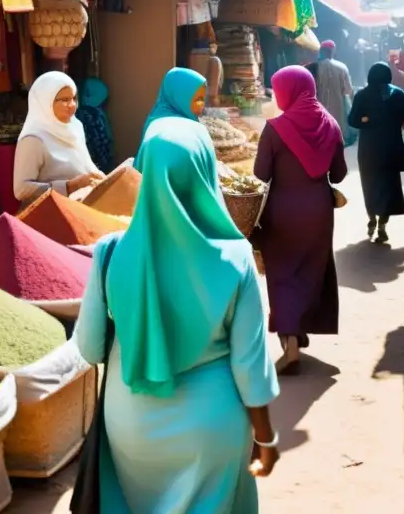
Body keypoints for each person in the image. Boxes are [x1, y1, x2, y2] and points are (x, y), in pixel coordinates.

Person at [74, 113, 280, 512]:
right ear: (206, 172)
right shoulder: (236, 257)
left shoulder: (110, 252)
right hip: (211, 427)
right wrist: (265, 437)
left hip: (129, 422)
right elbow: (249, 364)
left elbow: (88, 349)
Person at [254, 66, 346, 375]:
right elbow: (339, 174)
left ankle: (290, 340)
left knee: (282, 273)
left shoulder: (275, 128)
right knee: (310, 270)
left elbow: (260, 174)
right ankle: (300, 329)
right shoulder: (330, 124)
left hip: (282, 211)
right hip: (319, 210)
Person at [13, 72, 104, 206]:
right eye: (64, 100)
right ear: (45, 102)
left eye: (74, 98)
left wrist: (102, 178)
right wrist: (69, 186)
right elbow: (21, 190)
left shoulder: (75, 127)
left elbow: (85, 165)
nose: (72, 105)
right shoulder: (33, 139)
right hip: (48, 214)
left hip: (79, 207)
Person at [349, 63, 404, 244]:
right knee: (389, 187)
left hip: (369, 151)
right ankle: (383, 225)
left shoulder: (362, 95)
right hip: (391, 149)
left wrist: (366, 119)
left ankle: (372, 218)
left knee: (370, 186)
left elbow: (352, 120)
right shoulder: (398, 94)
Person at [140, 66, 207, 141]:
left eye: (203, 99)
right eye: (199, 99)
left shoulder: (184, 117)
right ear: (181, 97)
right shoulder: (165, 128)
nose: (202, 104)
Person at [314, 40, 354, 145]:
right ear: (333, 51)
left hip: (319, 106)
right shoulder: (342, 67)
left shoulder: (313, 67)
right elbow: (348, 90)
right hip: (338, 107)